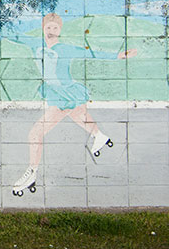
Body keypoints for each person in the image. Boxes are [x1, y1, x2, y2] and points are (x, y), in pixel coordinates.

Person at [10, 13, 137, 196]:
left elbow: (91, 54)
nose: (52, 31)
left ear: (60, 30)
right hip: (56, 92)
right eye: (48, 27)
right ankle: (99, 136)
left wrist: (118, 56)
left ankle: (31, 173)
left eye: (55, 27)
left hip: (66, 94)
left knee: (36, 133)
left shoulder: (65, 49)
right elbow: (15, 36)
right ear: (43, 28)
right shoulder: (35, 44)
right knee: (79, 115)